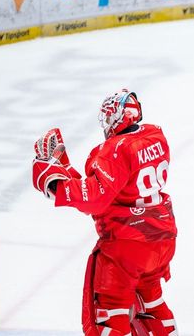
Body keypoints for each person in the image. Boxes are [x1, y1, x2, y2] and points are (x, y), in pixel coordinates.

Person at [31, 89, 178, 336]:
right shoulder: (155, 135)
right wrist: (66, 169)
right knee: (150, 302)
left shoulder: (114, 149)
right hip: (161, 239)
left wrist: (54, 182)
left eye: (108, 118)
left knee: (109, 316)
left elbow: (96, 199)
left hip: (126, 248)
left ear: (118, 118)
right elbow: (114, 190)